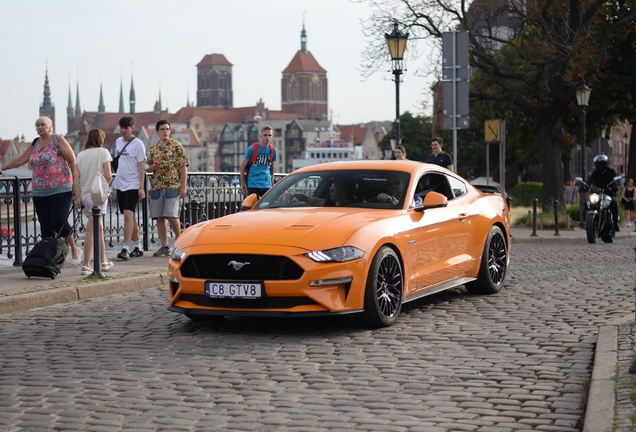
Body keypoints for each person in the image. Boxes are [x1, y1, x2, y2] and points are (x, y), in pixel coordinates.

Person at [0, 116, 82, 265]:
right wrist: (1, 169)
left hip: (61, 188)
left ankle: (74, 248)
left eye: (42, 124)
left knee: (58, 220)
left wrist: (76, 185)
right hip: (39, 191)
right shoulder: (35, 144)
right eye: (37, 125)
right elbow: (20, 160)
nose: (39, 127)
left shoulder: (58, 140)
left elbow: (72, 161)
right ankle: (49, 258)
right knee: (45, 226)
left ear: (50, 127)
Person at [145, 120, 189, 257]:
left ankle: (181, 243)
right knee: (159, 217)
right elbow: (146, 168)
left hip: (173, 185)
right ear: (157, 132)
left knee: (172, 215)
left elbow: (184, 167)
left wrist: (183, 187)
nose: (165, 132)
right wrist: (153, 168)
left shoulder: (176, 146)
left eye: (167, 129)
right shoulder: (154, 148)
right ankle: (164, 246)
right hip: (157, 186)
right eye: (163, 129)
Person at [73, 128, 113, 275]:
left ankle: (103, 261)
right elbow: (108, 175)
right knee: (92, 230)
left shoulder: (80, 155)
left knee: (99, 228)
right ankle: (86, 265)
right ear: (101, 139)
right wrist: (104, 189)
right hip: (97, 195)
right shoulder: (104, 153)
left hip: (84, 195)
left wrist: (78, 198)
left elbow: (76, 177)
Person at [112, 116, 146, 260]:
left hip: (133, 184)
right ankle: (138, 246)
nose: (123, 130)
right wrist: (115, 182)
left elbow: (141, 166)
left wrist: (141, 186)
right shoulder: (118, 142)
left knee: (127, 215)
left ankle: (125, 248)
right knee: (130, 216)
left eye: (126, 128)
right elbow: (118, 165)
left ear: (132, 128)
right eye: (121, 127)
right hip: (120, 183)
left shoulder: (138, 144)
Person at [239, 125, 277, 198]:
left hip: (266, 185)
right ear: (260, 136)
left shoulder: (273, 150)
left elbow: (272, 169)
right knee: (253, 207)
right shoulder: (252, 149)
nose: (267, 137)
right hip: (253, 184)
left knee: (266, 208)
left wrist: (271, 184)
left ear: (272, 137)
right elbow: (242, 167)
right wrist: (243, 187)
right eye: (265, 135)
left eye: (269, 135)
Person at [587, 154, 620, 232]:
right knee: (588, 203)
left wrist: (613, 187)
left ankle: (615, 223)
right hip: (598, 193)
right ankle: (588, 222)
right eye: (599, 165)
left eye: (602, 164)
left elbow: (615, 182)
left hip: (609, 193)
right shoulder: (595, 173)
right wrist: (585, 186)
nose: (600, 166)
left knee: (614, 203)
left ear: (605, 164)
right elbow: (590, 180)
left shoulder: (611, 172)